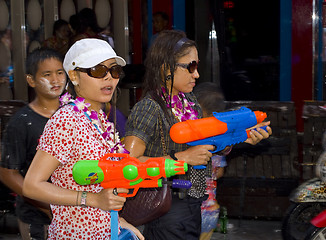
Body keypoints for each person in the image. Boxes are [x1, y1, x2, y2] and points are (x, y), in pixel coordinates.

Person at [123, 30, 272, 240]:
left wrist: (241, 137)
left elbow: (207, 144)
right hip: (166, 207)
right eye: (190, 67)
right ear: (166, 67)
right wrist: (181, 159)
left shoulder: (190, 101)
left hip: (193, 202)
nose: (197, 74)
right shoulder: (149, 108)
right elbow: (127, 166)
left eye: (197, 66)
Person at [22, 39, 144, 240]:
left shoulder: (100, 120)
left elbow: (102, 189)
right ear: (73, 75)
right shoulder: (67, 119)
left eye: (114, 71)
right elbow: (32, 185)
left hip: (106, 231)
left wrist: (118, 221)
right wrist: (93, 200)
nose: (109, 79)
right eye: (97, 71)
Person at [0, 48, 67, 239]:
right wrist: (45, 204)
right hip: (37, 218)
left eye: (59, 72)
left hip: (72, 212)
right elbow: (7, 173)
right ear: (31, 80)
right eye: (47, 74)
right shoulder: (21, 122)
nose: (55, 80)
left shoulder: (75, 114)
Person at [193, 82, 229, 240]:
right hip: (211, 210)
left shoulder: (193, 142)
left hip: (193, 209)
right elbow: (220, 172)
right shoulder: (220, 142)